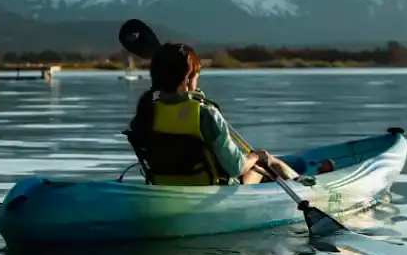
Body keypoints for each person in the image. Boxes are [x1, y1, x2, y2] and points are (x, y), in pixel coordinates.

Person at [124, 42, 306, 186]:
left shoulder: (147, 109)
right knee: (266, 159)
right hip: (214, 190)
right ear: (188, 77)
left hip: (166, 186)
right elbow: (235, 168)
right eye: (196, 74)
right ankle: (305, 187)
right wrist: (256, 157)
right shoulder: (206, 114)